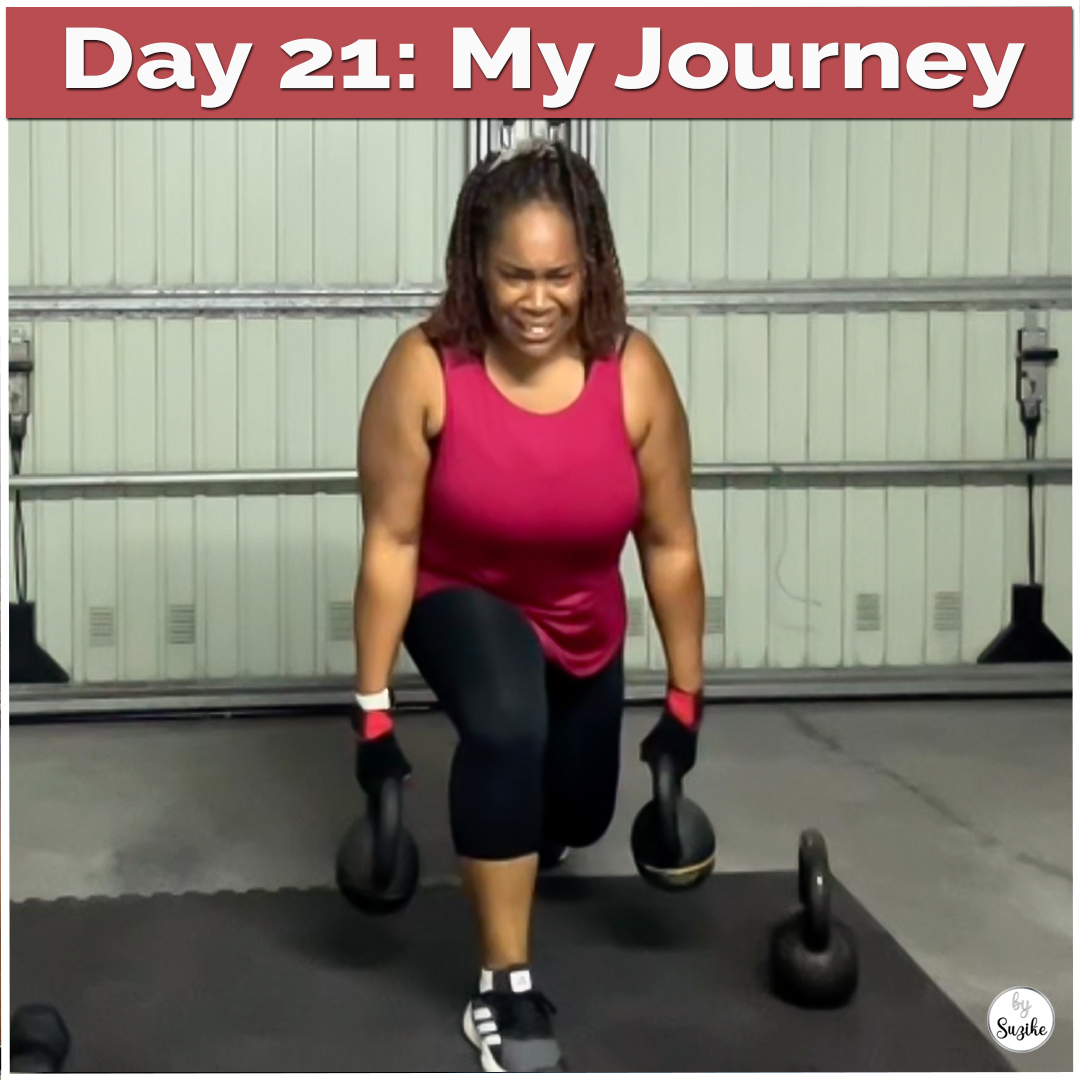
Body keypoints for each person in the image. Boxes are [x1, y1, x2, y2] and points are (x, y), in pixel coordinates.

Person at [351, 137, 706, 1072]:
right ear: (476, 264)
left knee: (578, 815)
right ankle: (503, 986)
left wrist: (684, 701)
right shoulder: (424, 370)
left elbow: (668, 547)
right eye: (514, 275)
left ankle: (522, 829)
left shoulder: (635, 375)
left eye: (559, 275)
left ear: (592, 270)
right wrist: (373, 711)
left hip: (584, 615)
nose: (537, 300)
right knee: (508, 726)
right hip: (459, 593)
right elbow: (390, 541)